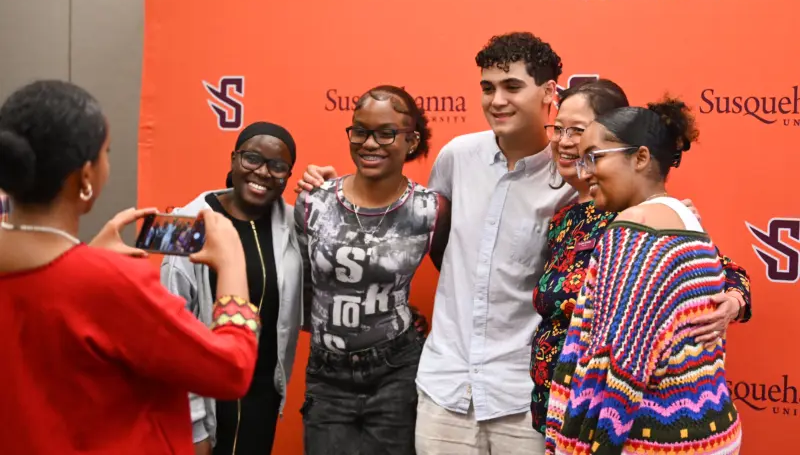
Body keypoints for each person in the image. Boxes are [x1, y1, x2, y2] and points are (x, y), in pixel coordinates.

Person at [298, 33, 573, 453]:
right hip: (444, 388)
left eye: (512, 86)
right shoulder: (457, 156)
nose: (497, 100)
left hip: (521, 393)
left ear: (549, 91)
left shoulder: (570, 178)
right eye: (487, 88)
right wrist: (327, 188)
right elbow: (436, 240)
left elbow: (629, 212)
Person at [0, 80, 260, 455]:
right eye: (106, 152)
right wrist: (233, 263)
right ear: (86, 176)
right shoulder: (111, 283)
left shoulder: (85, 275)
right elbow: (230, 371)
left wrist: (87, 257)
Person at [532, 80, 752, 440]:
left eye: (579, 132)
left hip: (604, 424)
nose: (564, 140)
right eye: (558, 129)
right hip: (563, 413)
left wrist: (730, 303)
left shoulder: (644, 220)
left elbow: (622, 370)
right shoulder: (565, 220)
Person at [295, 85, 450, 455]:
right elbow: (297, 281)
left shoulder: (430, 211)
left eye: (386, 133)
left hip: (396, 370)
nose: (370, 143)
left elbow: (458, 283)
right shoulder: (314, 201)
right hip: (327, 375)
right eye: (360, 130)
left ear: (411, 140)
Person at [161, 122, 304, 455]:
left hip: (263, 396)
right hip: (205, 399)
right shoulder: (186, 222)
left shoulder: (294, 224)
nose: (263, 172)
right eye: (251, 158)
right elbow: (172, 334)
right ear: (233, 159)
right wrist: (194, 422)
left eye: (277, 166)